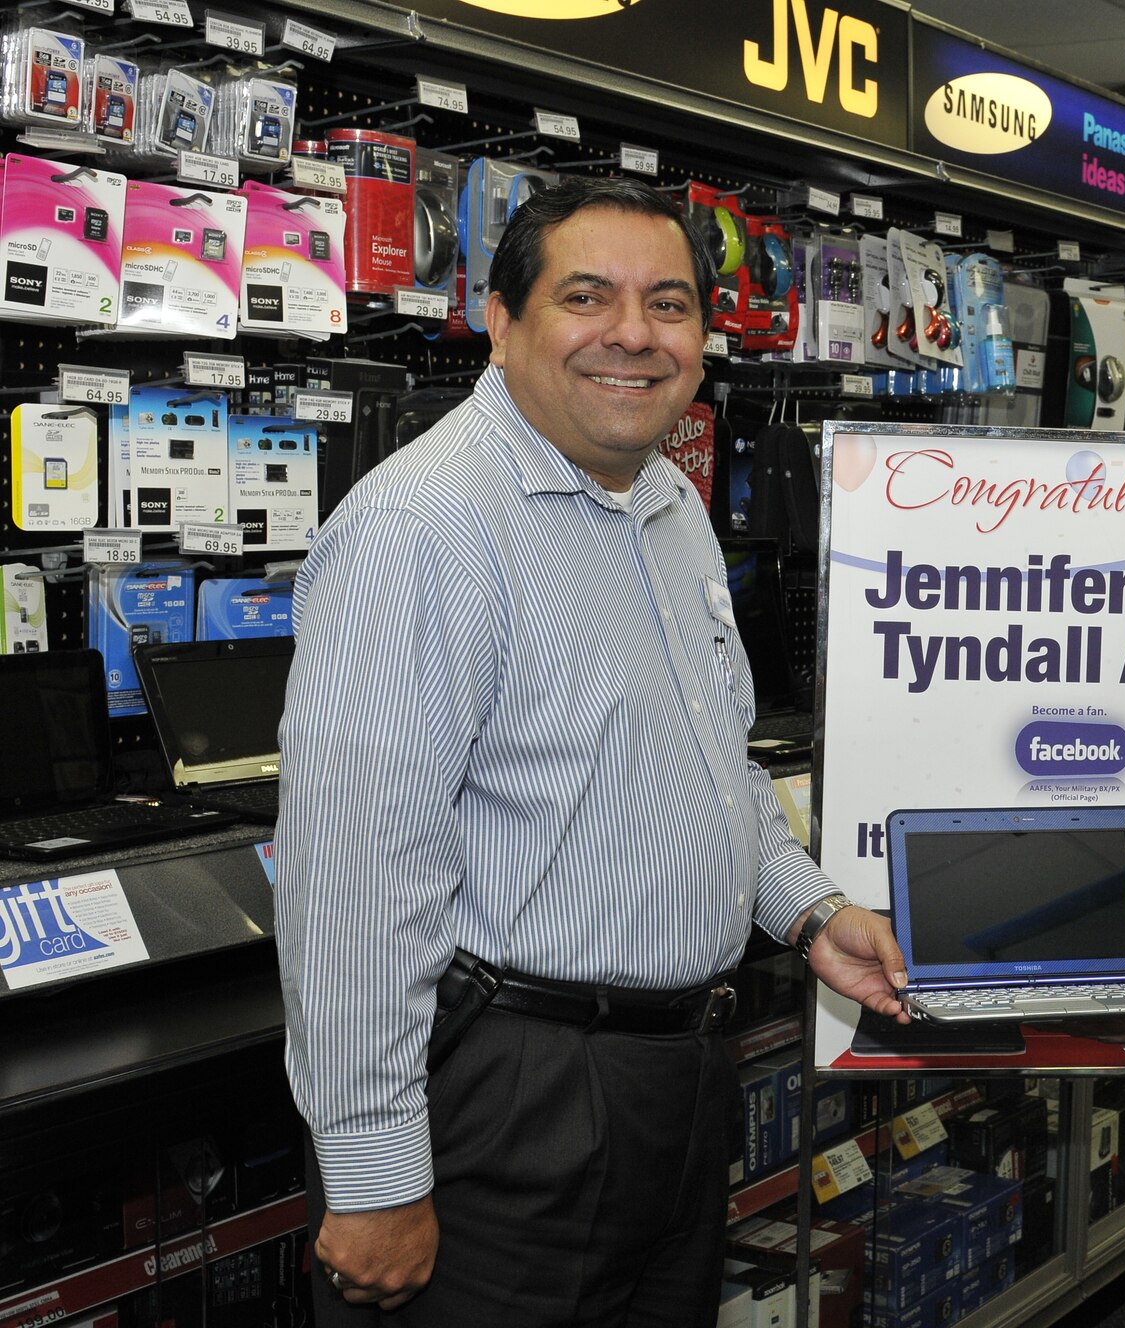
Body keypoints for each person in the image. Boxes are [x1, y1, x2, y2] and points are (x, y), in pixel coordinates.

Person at [272, 177, 908, 1327]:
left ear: (704, 340)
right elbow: (357, 882)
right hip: (510, 1099)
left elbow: (712, 772)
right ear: (501, 321)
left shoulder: (663, 498)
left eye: (668, 303)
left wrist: (812, 913)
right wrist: (373, 1175)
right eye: (587, 296)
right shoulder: (420, 531)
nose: (633, 333)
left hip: (670, 1085)